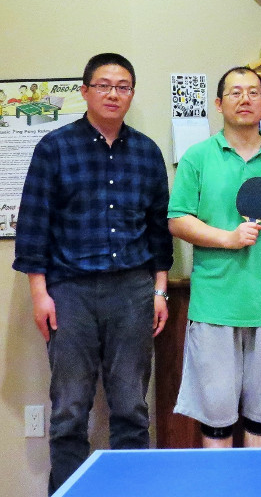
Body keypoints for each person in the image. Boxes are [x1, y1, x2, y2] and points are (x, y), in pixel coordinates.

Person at [13, 53, 172, 495]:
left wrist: (160, 291)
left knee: (131, 410)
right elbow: (33, 226)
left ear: (132, 95)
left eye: (123, 86)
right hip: (70, 294)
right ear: (84, 91)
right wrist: (40, 295)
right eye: (103, 85)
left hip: (133, 291)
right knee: (68, 411)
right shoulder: (55, 147)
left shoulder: (146, 151)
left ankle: (131, 491)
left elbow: (160, 228)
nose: (113, 94)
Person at [168, 66, 261, 448]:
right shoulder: (197, 158)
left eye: (253, 92)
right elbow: (178, 220)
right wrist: (227, 239)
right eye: (234, 92)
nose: (244, 99)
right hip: (214, 305)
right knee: (216, 424)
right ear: (218, 103)